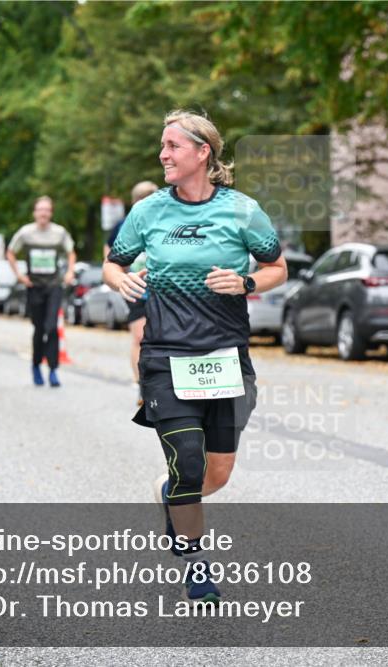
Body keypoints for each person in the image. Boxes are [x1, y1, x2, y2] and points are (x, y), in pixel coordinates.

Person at [104, 110, 288, 603]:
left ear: (203, 152)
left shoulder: (242, 210)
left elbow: (277, 266)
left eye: (173, 146)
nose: (162, 154)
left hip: (225, 355)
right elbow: (112, 263)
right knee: (187, 461)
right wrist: (120, 280)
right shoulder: (148, 213)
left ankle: (171, 497)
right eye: (162, 146)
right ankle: (196, 564)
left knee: (217, 474)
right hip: (165, 356)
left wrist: (246, 281)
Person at [6, 196, 76, 387]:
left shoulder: (59, 233)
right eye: (40, 209)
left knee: (52, 327)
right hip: (34, 286)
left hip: (53, 285)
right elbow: (10, 252)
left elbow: (71, 252)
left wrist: (70, 271)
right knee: (39, 328)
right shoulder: (26, 233)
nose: (43, 213)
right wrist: (19, 275)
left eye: (47, 210)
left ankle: (53, 370)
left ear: (51, 213)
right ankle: (36, 365)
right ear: (35, 212)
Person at [103, 181, 159, 405]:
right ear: (135, 202)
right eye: (143, 201)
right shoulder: (123, 224)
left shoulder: (165, 221)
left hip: (161, 290)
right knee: (139, 336)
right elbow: (109, 251)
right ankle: (142, 386)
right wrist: (118, 274)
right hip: (135, 288)